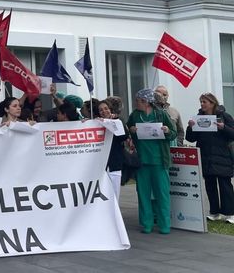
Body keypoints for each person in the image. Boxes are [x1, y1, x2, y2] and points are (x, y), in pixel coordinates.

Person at [126, 88, 177, 234]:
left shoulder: (161, 114)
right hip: (142, 160)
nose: (136, 103)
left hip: (159, 160)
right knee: (143, 193)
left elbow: (173, 133)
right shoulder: (135, 115)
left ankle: (164, 223)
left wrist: (167, 131)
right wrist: (132, 130)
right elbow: (128, 129)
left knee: (162, 193)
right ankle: (146, 223)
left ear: (147, 102)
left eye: (139, 101)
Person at [185, 92, 234, 223]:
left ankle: (230, 213)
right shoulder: (198, 117)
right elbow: (190, 138)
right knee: (210, 185)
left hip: (222, 155)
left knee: (225, 185)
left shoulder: (224, 116)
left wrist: (223, 127)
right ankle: (214, 212)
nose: (202, 104)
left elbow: (233, 134)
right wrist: (190, 127)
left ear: (212, 103)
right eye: (201, 102)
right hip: (205, 156)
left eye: (204, 102)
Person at [98, 98, 126, 200]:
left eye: (106, 108)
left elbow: (123, 136)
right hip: (101, 166)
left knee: (114, 195)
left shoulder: (118, 121)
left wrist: (111, 123)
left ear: (110, 109)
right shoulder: (97, 122)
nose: (104, 111)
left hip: (115, 164)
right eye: (101, 110)